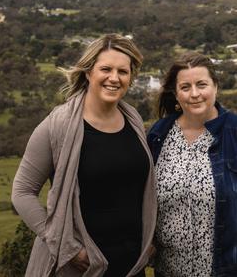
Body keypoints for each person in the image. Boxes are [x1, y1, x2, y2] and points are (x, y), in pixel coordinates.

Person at [12, 34, 156, 277]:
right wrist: (65, 246)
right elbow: (22, 192)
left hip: (131, 263)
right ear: (89, 72)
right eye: (106, 69)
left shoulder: (133, 120)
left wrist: (149, 240)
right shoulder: (57, 126)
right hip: (80, 265)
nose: (114, 78)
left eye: (123, 71)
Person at [147, 52, 237, 277]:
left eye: (201, 84)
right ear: (175, 93)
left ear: (216, 87)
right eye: (185, 87)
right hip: (170, 271)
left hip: (235, 270)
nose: (194, 94)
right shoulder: (158, 135)